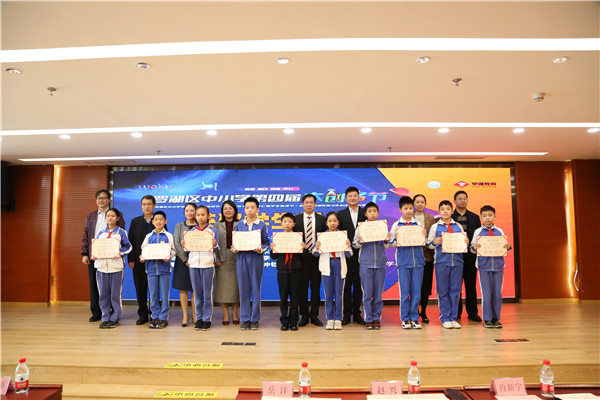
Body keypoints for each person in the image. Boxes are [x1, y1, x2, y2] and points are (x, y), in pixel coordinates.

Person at [81, 189, 125, 323]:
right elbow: (85, 235)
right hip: (95, 257)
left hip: (112, 258)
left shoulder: (117, 214)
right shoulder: (90, 216)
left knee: (111, 288)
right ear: (96, 200)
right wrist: (84, 253)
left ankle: (112, 313)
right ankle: (96, 312)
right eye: (99, 198)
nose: (101, 200)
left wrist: (118, 251)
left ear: (109, 200)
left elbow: (122, 236)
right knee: (95, 286)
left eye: (104, 198)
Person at [427, 200, 469, 329]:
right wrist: (435, 242)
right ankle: (445, 317)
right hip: (441, 262)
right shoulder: (435, 227)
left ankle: (453, 318)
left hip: (457, 262)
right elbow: (429, 244)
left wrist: (466, 241)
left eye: (448, 209)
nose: (445, 211)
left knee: (455, 291)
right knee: (443, 291)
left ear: (452, 211)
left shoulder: (458, 226)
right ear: (439, 211)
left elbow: (463, 242)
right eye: (443, 209)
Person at [470, 205, 511, 329]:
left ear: (494, 216)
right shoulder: (478, 232)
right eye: (484, 216)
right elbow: (472, 248)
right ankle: (487, 319)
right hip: (484, 266)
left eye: (490, 215)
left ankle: (496, 319)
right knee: (486, 294)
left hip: (498, 266)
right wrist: (474, 247)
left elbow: (505, 246)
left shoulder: (500, 231)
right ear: (481, 217)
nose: (487, 218)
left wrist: (508, 246)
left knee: (497, 294)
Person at [232, 197, 269, 330]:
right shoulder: (239, 225)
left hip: (255, 258)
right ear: (244, 209)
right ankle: (245, 318)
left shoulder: (262, 225)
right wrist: (234, 248)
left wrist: (261, 249)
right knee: (243, 289)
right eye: (247, 207)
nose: (250, 210)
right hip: (241, 257)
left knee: (255, 288)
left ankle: (254, 319)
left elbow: (266, 243)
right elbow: (235, 242)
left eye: (252, 207)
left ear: (257, 209)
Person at [389, 196, 426, 330]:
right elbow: (392, 244)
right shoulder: (396, 225)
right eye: (406, 208)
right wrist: (395, 239)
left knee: (416, 292)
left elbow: (424, 242)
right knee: (404, 292)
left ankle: (414, 318)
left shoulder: (419, 225)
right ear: (400, 209)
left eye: (410, 208)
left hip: (418, 262)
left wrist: (424, 235)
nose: (409, 211)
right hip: (403, 263)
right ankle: (405, 318)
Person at [92, 208, 132, 329]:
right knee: (103, 294)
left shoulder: (121, 232)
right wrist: (95, 254)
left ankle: (115, 318)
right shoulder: (101, 233)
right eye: (108, 216)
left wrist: (118, 251)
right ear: (105, 218)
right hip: (101, 268)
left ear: (117, 218)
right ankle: (105, 317)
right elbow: (96, 247)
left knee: (115, 295)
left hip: (116, 268)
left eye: (113, 216)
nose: (110, 218)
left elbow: (128, 247)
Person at [353, 202, 390, 330]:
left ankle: (376, 318)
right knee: (367, 294)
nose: (372, 213)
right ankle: (368, 319)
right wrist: (360, 241)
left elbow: (386, 246)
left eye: (374, 211)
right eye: (370, 211)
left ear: (378, 213)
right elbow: (354, 244)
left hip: (380, 264)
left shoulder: (382, 226)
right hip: (365, 264)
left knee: (378, 295)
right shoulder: (361, 227)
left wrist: (386, 240)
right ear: (365, 214)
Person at [313, 212, 352, 330]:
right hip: (327, 266)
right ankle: (330, 319)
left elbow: (349, 255)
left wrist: (347, 246)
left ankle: (338, 319)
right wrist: (317, 247)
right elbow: (315, 254)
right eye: (330, 221)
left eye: (335, 221)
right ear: (326, 223)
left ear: (338, 222)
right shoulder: (322, 237)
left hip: (339, 265)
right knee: (328, 294)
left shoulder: (343, 236)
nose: (332, 223)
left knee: (339, 294)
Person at [293, 194, 327, 327]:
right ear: (302, 204)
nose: (309, 205)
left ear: (315, 204)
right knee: (302, 289)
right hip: (301, 258)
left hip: (316, 258)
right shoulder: (296, 220)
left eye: (311, 202)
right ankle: (304, 316)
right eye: (306, 202)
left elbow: (326, 238)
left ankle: (314, 315)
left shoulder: (322, 220)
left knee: (315, 288)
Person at [184, 205, 219, 331]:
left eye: (203, 215)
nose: (200, 217)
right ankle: (199, 318)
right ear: (195, 216)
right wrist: (184, 245)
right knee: (197, 293)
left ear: (208, 216)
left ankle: (207, 319)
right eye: (198, 215)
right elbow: (187, 250)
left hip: (208, 264)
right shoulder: (191, 232)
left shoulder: (213, 231)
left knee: (207, 294)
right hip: (193, 265)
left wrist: (215, 244)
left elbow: (217, 248)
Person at [140, 211, 175, 329]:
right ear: (153, 222)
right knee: (153, 295)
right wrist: (143, 257)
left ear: (165, 221)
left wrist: (169, 256)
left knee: (164, 295)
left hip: (164, 270)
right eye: (156, 220)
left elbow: (174, 250)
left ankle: (163, 318)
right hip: (151, 270)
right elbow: (143, 250)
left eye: (161, 219)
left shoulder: (169, 236)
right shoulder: (148, 236)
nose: (158, 222)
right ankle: (154, 317)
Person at [337, 186, 367, 325]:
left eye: (355, 196)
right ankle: (346, 314)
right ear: (346, 198)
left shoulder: (365, 213)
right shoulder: (340, 214)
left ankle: (357, 313)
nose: (353, 198)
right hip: (345, 254)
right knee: (346, 285)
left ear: (359, 197)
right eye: (350, 196)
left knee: (359, 284)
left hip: (362, 254)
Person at [452, 190, 483, 322]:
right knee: (455, 286)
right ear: (454, 201)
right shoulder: (450, 217)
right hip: (455, 257)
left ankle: (472, 312)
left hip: (470, 258)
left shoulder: (475, 217)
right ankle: (456, 312)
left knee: (471, 286)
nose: (462, 201)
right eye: (459, 198)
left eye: (464, 198)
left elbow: (479, 236)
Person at [270, 212, 304, 331]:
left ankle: (294, 321)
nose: (287, 224)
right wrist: (273, 248)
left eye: (290, 222)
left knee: (295, 297)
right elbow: (273, 257)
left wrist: (303, 248)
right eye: (285, 222)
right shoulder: (278, 238)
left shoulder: (298, 238)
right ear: (281, 224)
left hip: (296, 271)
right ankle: (284, 321)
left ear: (294, 224)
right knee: (283, 297)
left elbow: (303, 257)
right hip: (282, 271)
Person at [128, 195, 156, 325]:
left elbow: (164, 241)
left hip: (155, 261)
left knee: (154, 289)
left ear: (154, 206)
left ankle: (155, 314)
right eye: (144, 204)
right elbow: (131, 241)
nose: (146, 207)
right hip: (139, 261)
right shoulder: (135, 221)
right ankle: (143, 315)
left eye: (149, 204)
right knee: (140, 288)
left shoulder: (158, 219)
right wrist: (131, 259)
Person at [214, 200, 240, 325]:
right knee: (222, 288)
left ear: (234, 210)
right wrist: (216, 258)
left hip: (237, 259)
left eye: (230, 208)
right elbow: (212, 244)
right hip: (222, 259)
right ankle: (225, 314)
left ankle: (235, 313)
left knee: (236, 287)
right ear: (222, 211)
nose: (228, 210)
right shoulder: (216, 225)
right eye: (225, 208)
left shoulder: (241, 224)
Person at [172, 202, 197, 327]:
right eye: (187, 211)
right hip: (182, 261)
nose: (189, 213)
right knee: (183, 288)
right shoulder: (179, 226)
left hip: (196, 259)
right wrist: (185, 259)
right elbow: (176, 243)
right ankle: (185, 315)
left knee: (195, 289)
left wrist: (192, 259)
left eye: (192, 210)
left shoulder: (199, 226)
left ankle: (195, 315)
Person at [413, 194, 436, 323]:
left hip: (427, 256)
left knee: (426, 286)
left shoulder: (431, 218)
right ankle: (415, 311)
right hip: (413, 256)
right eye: (417, 202)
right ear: (413, 204)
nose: (420, 204)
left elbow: (433, 237)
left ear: (425, 204)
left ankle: (424, 312)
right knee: (414, 286)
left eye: (422, 202)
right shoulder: (409, 217)